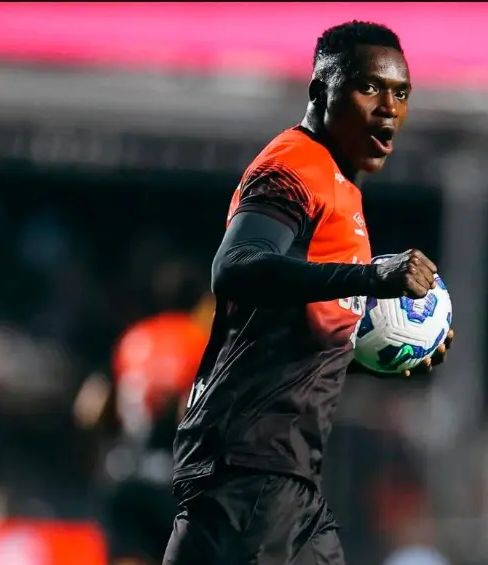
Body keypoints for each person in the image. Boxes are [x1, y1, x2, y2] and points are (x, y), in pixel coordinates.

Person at [163, 21, 455, 565]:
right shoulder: (294, 166)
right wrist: (374, 278)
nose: (389, 107)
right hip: (247, 474)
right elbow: (237, 266)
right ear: (321, 92)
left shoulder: (341, 186)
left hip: (290, 479)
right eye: (370, 88)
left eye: (401, 93)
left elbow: (291, 331)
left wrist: (388, 357)